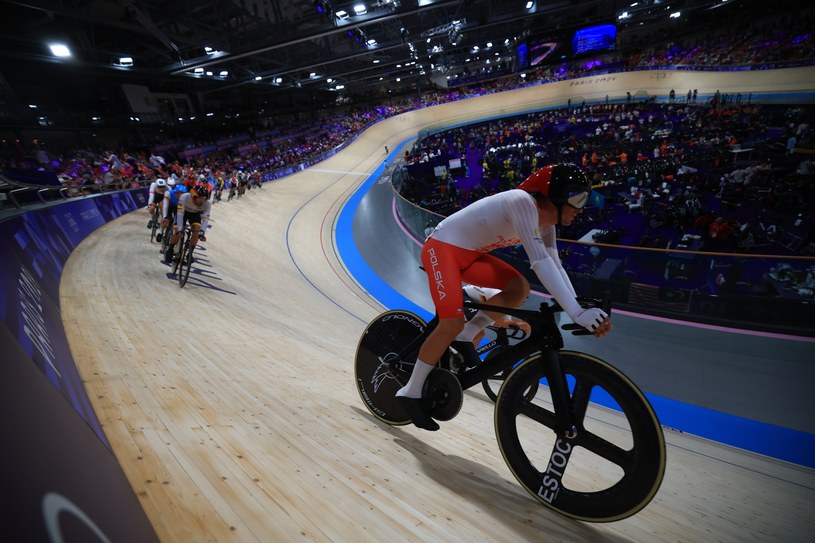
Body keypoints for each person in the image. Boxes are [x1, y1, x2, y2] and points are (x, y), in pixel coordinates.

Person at [396, 163, 611, 431]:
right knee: (451, 322)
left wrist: (577, 307)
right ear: (553, 195)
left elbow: (556, 265)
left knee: (519, 289)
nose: (581, 208)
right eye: (578, 198)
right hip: (441, 249)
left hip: (469, 255)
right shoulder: (522, 201)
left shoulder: (546, 223)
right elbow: (540, 263)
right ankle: (411, 391)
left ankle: (468, 333)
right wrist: (577, 313)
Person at [163, 182, 211, 264]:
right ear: (192, 196)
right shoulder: (184, 197)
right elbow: (179, 214)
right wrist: (180, 229)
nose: (201, 202)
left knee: (197, 230)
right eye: (198, 199)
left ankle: (190, 253)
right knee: (177, 230)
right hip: (183, 213)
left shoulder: (207, 204)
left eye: (203, 199)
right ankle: (171, 249)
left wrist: (202, 232)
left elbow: (205, 219)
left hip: (195, 214)